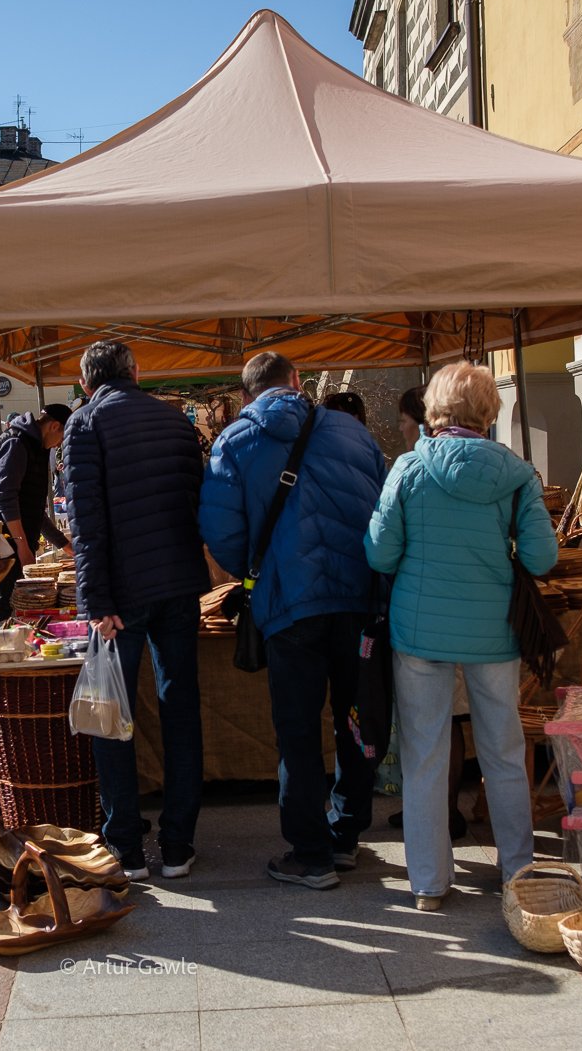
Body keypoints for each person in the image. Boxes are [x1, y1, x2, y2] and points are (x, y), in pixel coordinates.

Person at [364, 362, 558, 911]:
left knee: (424, 754)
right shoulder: (517, 473)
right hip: (494, 631)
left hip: (420, 631)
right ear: (488, 410)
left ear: (434, 408)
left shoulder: (408, 467)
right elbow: (543, 559)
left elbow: (380, 552)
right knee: (503, 751)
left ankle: (429, 882)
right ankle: (518, 872)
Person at [199, 354, 386, 890]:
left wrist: (259, 571)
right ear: (297, 382)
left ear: (246, 393)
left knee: (298, 729)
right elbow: (383, 509)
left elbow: (221, 532)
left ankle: (311, 853)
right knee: (355, 716)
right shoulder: (352, 434)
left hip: (289, 605)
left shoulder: (234, 443)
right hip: (357, 599)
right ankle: (346, 836)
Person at [65, 340, 208, 881]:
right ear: (136, 373)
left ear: (86, 383)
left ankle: (124, 845)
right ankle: (177, 844)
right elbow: (195, 502)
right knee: (180, 709)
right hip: (178, 584)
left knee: (110, 717)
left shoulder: (84, 424)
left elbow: (86, 522)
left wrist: (95, 600)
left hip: (122, 596)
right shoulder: (174, 422)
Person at [386, 383, 470, 841]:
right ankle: (447, 814)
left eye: (402, 422)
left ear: (421, 422)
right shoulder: (498, 468)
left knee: (433, 722)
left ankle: (437, 817)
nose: (399, 430)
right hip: (478, 618)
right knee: (457, 722)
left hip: (425, 614)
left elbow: (382, 549)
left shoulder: (409, 470)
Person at [0, 403, 72, 621]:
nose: (59, 444)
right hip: (3, 544)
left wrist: (63, 544)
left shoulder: (34, 446)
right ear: (54, 426)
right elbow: (4, 496)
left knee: (15, 608)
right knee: (3, 608)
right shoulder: (17, 443)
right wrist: (21, 544)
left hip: (14, 541)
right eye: (62, 437)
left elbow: (33, 507)